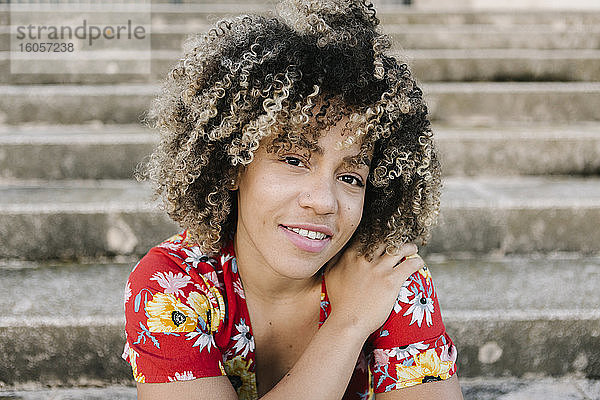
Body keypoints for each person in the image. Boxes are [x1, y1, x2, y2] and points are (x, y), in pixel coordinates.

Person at [122, 0, 463, 398]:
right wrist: (349, 323)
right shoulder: (171, 285)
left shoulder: (385, 276)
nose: (323, 201)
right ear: (233, 164)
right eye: (294, 159)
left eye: (351, 176)